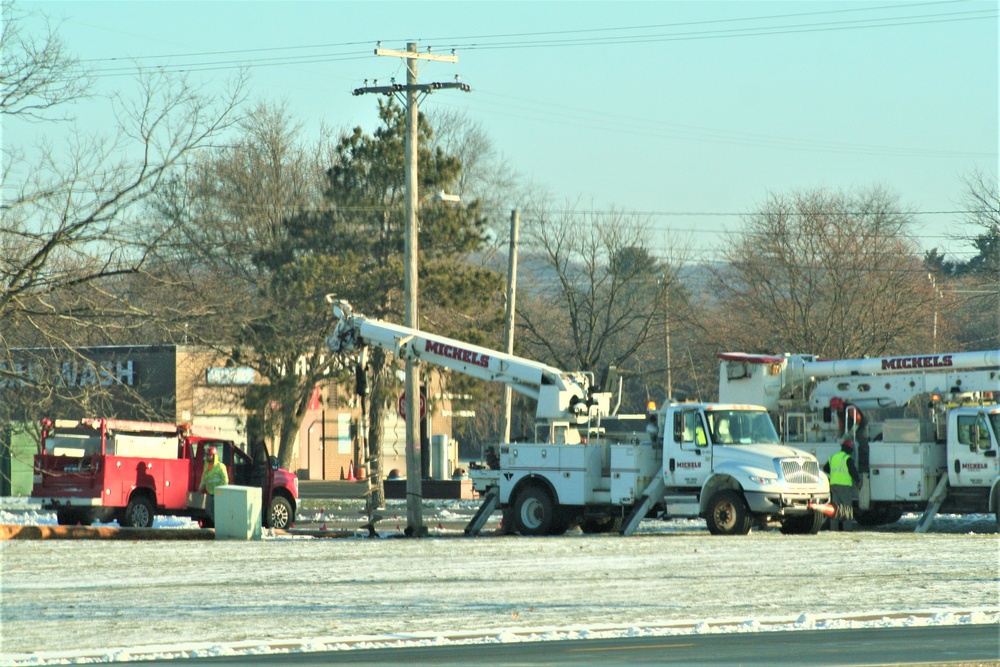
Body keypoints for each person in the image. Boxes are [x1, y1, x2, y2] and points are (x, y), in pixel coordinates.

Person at [823, 439, 861, 531]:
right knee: (846, 509)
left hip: (834, 486)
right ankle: (847, 529)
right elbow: (853, 472)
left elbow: (825, 468)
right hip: (844, 487)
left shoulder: (833, 457)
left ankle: (834, 529)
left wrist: (834, 475)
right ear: (850, 450)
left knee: (835, 509)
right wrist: (858, 481)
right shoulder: (848, 459)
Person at [198, 445, 229, 523]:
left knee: (218, 511)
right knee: (208, 510)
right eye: (207, 455)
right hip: (210, 493)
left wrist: (221, 491)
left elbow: (225, 480)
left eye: (209, 455)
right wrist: (200, 489)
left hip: (218, 493)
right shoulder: (206, 466)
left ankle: (220, 525)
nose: (207, 457)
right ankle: (217, 523)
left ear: (214, 456)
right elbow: (204, 479)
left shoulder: (221, 466)